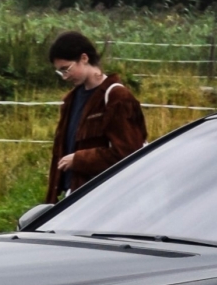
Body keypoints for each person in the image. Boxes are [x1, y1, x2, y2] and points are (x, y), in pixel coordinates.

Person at [45, 30, 146, 200]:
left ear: (84, 58)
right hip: (71, 199)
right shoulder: (70, 100)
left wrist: (80, 160)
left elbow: (128, 153)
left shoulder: (117, 98)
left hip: (104, 200)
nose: (64, 77)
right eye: (60, 72)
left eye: (66, 69)